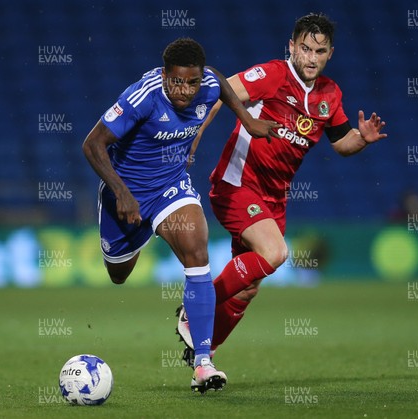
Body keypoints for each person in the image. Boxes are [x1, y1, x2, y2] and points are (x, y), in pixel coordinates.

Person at [176, 13, 387, 366]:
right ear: (292, 46)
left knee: (248, 287)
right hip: (237, 184)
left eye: (319, 51)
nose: (310, 57)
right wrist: (193, 138)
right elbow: (218, 92)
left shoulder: (330, 95)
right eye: (304, 48)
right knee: (275, 253)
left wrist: (361, 140)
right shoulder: (273, 75)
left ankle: (204, 355)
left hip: (274, 200)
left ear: (329, 53)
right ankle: (196, 307)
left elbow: (341, 143)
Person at [82, 37, 280, 393]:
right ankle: (135, 238)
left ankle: (203, 362)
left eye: (191, 81)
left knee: (197, 253)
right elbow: (92, 144)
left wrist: (247, 120)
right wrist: (122, 194)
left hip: (171, 189)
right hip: (125, 198)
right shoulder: (142, 96)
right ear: (163, 75)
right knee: (118, 274)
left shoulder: (206, 84)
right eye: (176, 81)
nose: (184, 90)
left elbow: (219, 81)